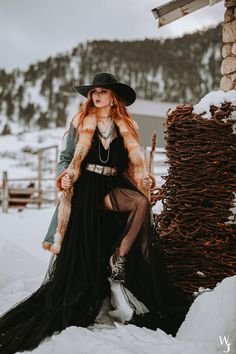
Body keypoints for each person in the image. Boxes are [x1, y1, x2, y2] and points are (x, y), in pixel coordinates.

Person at [0, 73, 193, 353]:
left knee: (140, 202)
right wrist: (64, 175)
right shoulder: (79, 122)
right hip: (87, 188)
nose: (96, 96)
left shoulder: (126, 125)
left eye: (102, 91)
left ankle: (119, 257)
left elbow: (131, 163)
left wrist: (145, 178)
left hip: (114, 182)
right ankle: (104, 275)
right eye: (93, 92)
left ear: (113, 96)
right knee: (90, 248)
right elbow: (66, 158)